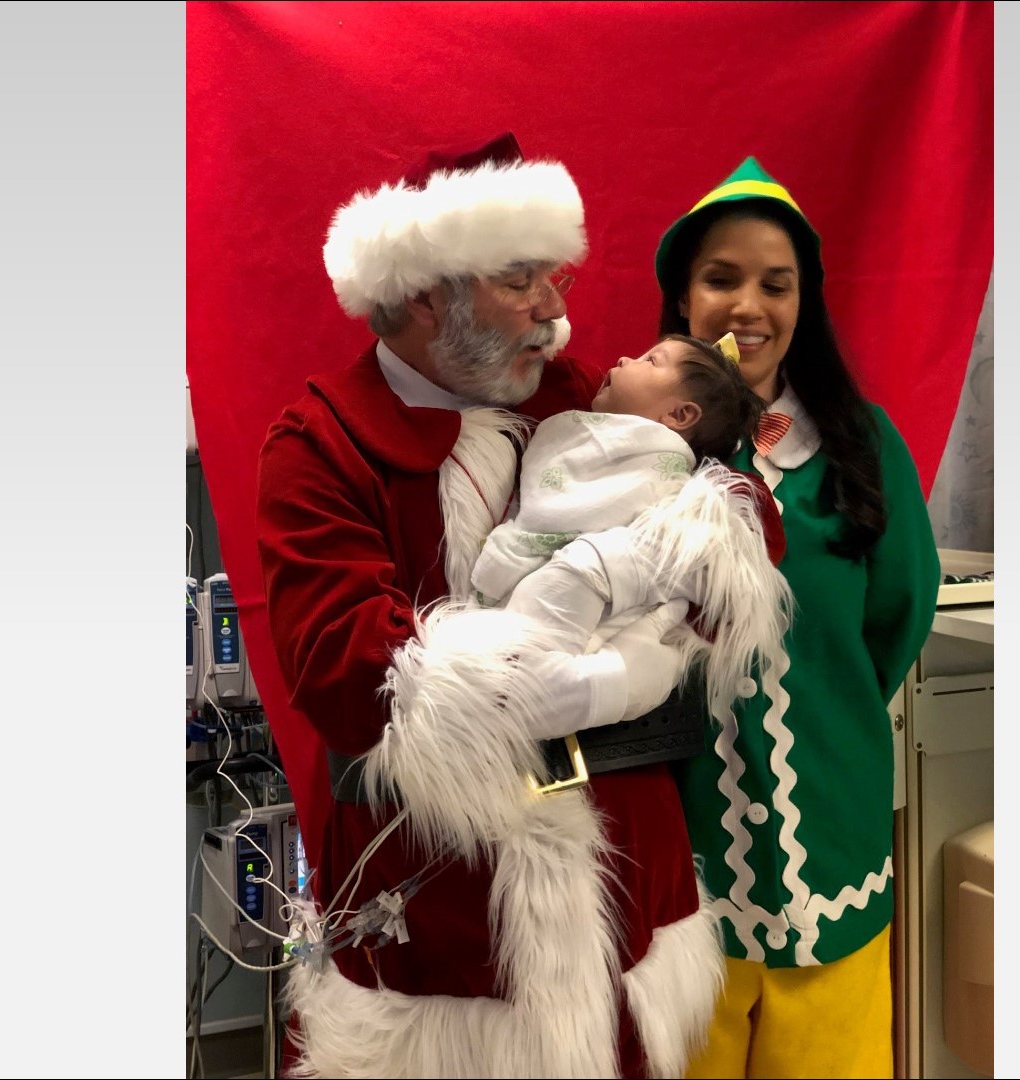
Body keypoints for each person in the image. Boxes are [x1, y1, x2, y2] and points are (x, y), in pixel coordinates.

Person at [253, 133, 780, 1079]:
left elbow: (741, 528)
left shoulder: (581, 398)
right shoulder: (317, 445)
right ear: (423, 294)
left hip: (625, 893)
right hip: (443, 919)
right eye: (518, 278)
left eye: (555, 276)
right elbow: (353, 678)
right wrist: (619, 666)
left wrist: (638, 577)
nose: (554, 308)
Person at [653, 157, 943, 1078]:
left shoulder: (862, 444)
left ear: (803, 302)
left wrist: (827, 712)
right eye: (721, 279)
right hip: (685, 857)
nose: (749, 307)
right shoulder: (631, 451)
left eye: (775, 285)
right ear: (682, 297)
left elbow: (897, 616)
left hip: (836, 835)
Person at [468, 332, 792, 727]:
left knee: (517, 673)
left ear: (679, 416)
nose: (624, 358)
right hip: (528, 624)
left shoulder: (663, 477)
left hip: (597, 622)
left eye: (651, 361)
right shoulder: (584, 431)